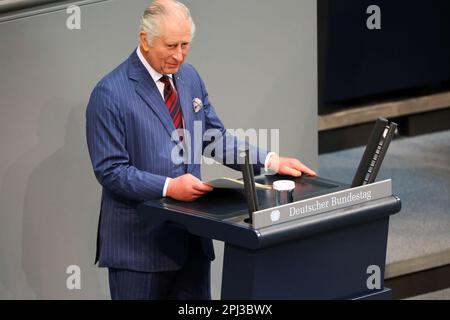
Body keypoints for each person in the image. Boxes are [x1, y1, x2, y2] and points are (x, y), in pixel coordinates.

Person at [86, 0, 316, 300]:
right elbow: (111, 171)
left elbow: (214, 138)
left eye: (185, 45)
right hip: (139, 249)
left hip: (192, 241)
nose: (179, 55)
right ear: (145, 39)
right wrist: (169, 187)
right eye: (171, 46)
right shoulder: (109, 94)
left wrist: (271, 160)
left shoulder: (189, 77)